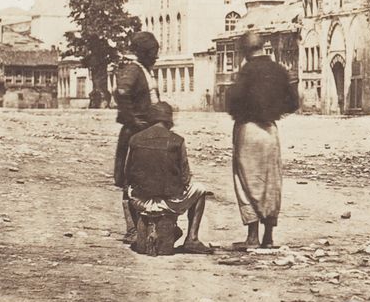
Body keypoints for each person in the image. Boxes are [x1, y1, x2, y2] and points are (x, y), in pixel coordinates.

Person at [225, 30, 299, 249]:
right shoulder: (279, 70)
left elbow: (232, 102)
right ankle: (269, 236)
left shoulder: (246, 72)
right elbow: (294, 102)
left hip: (248, 129)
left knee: (247, 182)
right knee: (271, 182)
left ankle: (252, 236)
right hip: (271, 131)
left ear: (245, 51)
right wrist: (275, 112)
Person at [124, 102, 211, 256]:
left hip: (140, 201)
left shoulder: (135, 139)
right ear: (169, 121)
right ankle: (192, 239)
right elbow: (185, 178)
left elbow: (127, 173)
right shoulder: (177, 140)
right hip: (169, 202)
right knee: (201, 191)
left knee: (127, 189)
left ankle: (132, 231)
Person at [112, 31, 161, 244]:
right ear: (145, 52)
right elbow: (121, 93)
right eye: (154, 52)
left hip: (146, 132)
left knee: (144, 179)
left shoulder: (145, 70)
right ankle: (131, 229)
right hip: (135, 133)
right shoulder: (134, 70)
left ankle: (142, 227)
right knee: (130, 180)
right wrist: (133, 120)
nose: (157, 56)